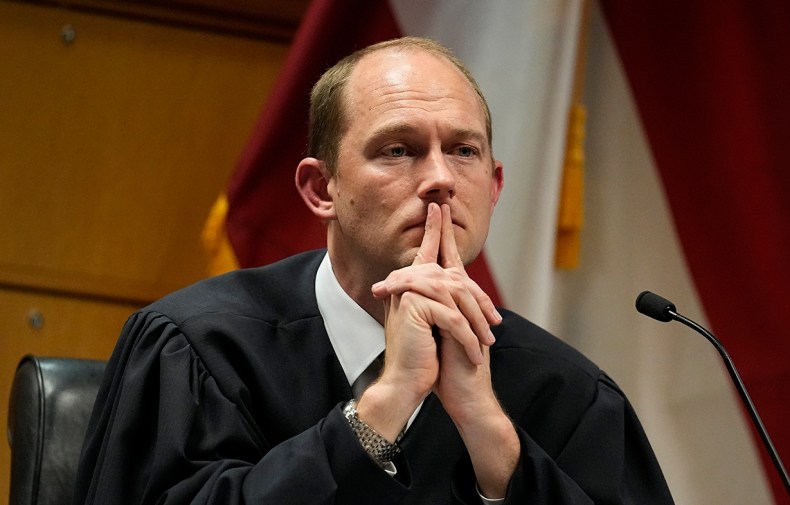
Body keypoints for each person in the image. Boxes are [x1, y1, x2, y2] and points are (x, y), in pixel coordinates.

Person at [72, 37, 673, 504]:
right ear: (319, 188)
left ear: (493, 188)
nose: (440, 178)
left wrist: (490, 433)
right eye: (399, 149)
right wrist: (385, 404)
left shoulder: (568, 395)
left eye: (464, 151)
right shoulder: (197, 349)